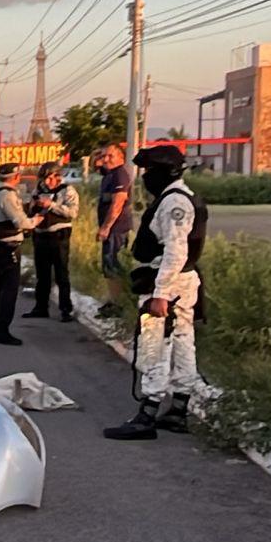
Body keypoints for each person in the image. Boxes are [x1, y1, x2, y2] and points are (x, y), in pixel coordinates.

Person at [104, 144, 207, 440]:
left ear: (164, 172)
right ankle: (177, 409)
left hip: (166, 282)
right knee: (184, 342)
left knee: (154, 346)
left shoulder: (174, 203)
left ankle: (147, 414)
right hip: (182, 281)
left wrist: (160, 293)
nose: (146, 177)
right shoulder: (183, 197)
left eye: (149, 171)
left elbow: (176, 249)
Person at [0, 163, 43, 346]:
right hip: (8, 247)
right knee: (9, 289)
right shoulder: (7, 195)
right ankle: (2, 330)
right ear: (16, 176)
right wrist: (36, 220)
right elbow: (20, 221)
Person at [22, 160, 79, 322]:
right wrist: (33, 206)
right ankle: (41, 307)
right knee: (42, 274)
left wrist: (51, 205)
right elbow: (30, 209)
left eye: (50, 178)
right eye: (44, 178)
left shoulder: (67, 191)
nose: (47, 182)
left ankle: (65, 309)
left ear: (57, 176)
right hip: (40, 235)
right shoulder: (38, 190)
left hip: (59, 235)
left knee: (61, 273)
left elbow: (73, 212)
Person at [95, 144, 133, 317]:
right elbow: (96, 165)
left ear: (121, 158)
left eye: (110, 156)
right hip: (112, 230)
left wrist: (106, 227)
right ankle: (113, 301)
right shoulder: (109, 174)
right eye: (104, 156)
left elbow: (118, 203)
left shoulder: (120, 175)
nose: (106, 159)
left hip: (117, 229)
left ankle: (118, 305)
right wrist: (97, 156)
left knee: (114, 265)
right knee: (108, 266)